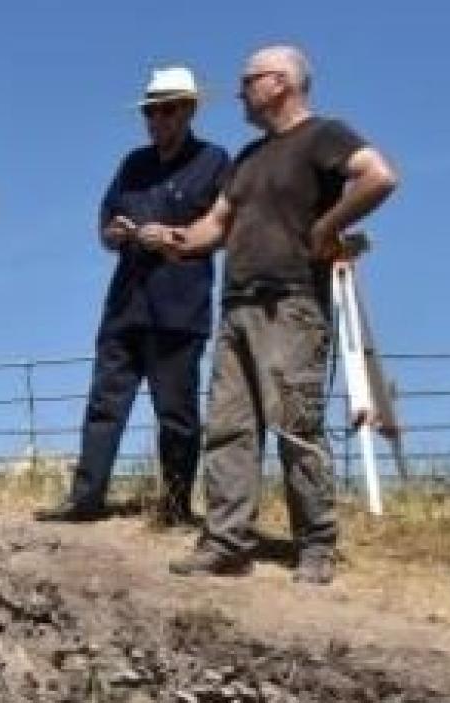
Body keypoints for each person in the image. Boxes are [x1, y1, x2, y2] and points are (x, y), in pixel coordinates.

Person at [150, 45, 398, 584]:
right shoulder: (247, 158)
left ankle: (316, 545)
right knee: (228, 428)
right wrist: (172, 238)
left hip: (291, 303)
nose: (240, 91)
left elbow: (379, 176)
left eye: (248, 80)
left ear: (281, 82)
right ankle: (226, 541)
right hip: (237, 304)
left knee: (295, 424)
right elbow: (215, 226)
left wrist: (326, 229)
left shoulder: (324, 135)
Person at [39, 67, 230, 526]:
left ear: (189, 110)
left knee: (176, 413)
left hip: (180, 306)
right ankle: (85, 499)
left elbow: (224, 229)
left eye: (165, 110)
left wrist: (173, 237)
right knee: (105, 403)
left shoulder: (215, 160)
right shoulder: (133, 163)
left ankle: (177, 508)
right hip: (126, 304)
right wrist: (115, 233)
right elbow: (106, 224)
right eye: (150, 111)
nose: (155, 119)